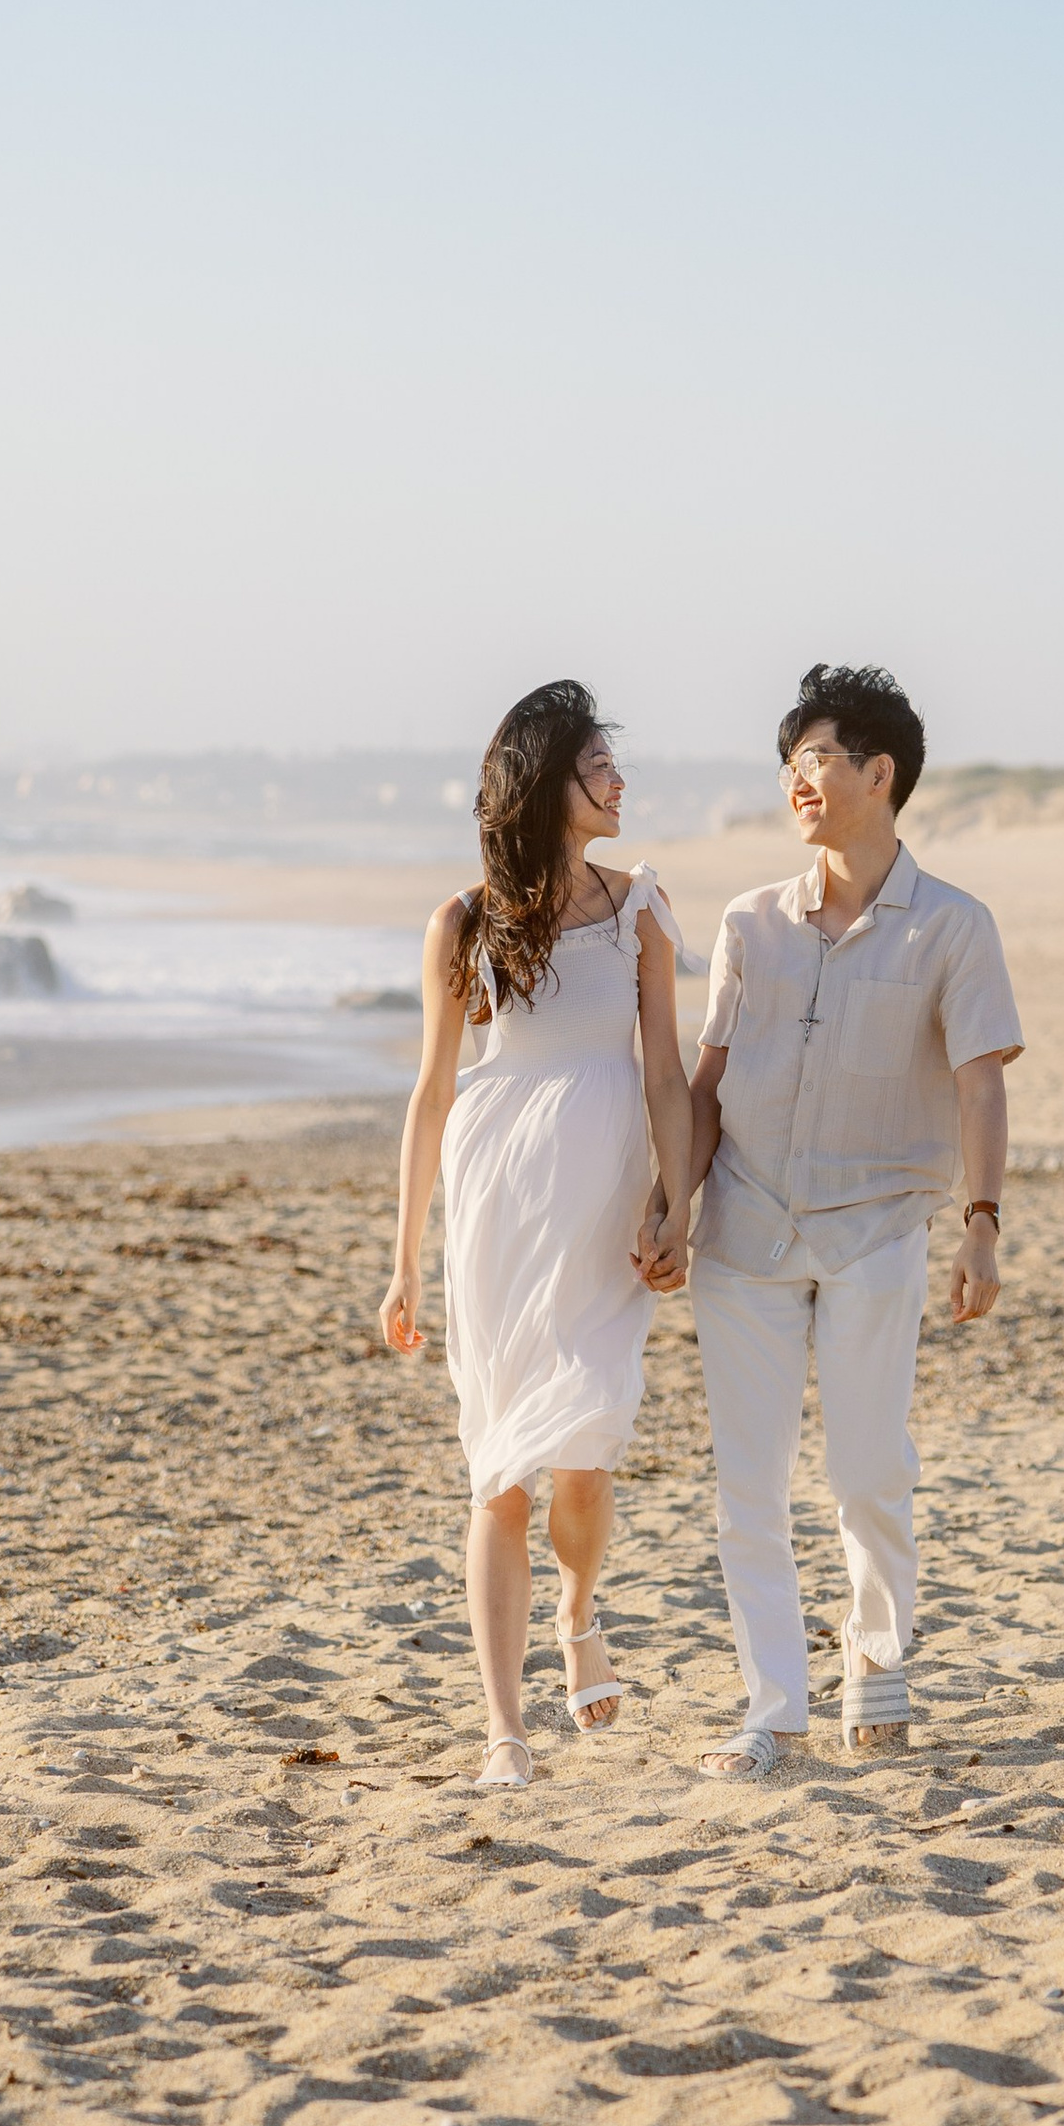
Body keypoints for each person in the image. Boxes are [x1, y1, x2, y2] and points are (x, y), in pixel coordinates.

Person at [656, 661, 1021, 1776]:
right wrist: (671, 1203)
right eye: (788, 763)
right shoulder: (749, 922)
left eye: (816, 758)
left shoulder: (952, 926)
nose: (796, 780)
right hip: (744, 1229)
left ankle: (877, 1658)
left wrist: (981, 1221)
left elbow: (980, 1083)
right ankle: (773, 1709)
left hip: (876, 1227)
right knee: (748, 1485)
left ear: (879, 773)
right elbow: (709, 1080)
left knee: (867, 1470)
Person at [381, 680, 694, 1790]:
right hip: (498, 1205)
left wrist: (678, 1201)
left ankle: (577, 1608)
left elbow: (665, 1075)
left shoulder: (641, 909)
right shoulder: (463, 923)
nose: (618, 781)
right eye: (597, 766)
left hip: (604, 1205)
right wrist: (404, 1261)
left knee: (588, 1449)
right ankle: (504, 1729)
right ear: (546, 784)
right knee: (501, 1469)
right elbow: (431, 1095)